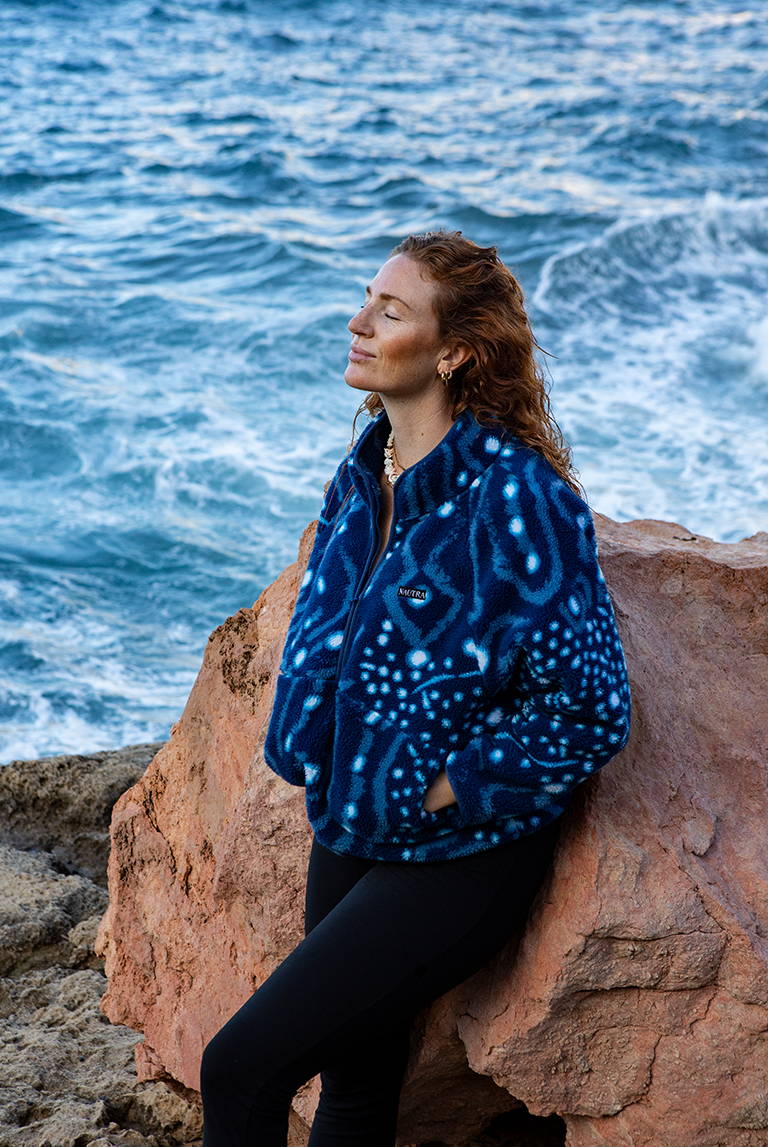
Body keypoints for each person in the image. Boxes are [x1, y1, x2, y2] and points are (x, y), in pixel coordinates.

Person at [200, 230, 631, 1146]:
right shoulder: (361, 476)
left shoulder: (519, 500)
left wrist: (436, 790)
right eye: (365, 298)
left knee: (239, 1066)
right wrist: (312, 746)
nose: (357, 322)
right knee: (356, 1084)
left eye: (388, 311)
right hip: (348, 821)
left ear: (453, 351)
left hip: (459, 851)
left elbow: (589, 705)